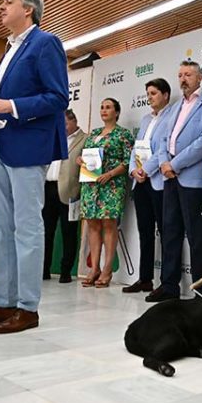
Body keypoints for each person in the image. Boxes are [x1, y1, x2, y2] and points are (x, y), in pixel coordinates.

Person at [0, 0, 68, 334]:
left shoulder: (46, 43)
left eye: (7, 1)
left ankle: (28, 307)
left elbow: (58, 97)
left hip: (27, 145)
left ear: (29, 9)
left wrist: (11, 106)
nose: (0, 7)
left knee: (26, 226)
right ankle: (4, 301)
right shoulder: (7, 50)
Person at [146, 61, 202, 302]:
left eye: (188, 74)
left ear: (200, 78)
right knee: (170, 233)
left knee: (197, 236)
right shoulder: (175, 107)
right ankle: (169, 286)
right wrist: (163, 164)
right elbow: (162, 141)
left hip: (191, 179)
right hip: (169, 178)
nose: (183, 79)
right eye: (180, 74)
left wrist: (175, 164)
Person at [77, 98, 134, 287]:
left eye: (108, 107)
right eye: (101, 107)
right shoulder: (93, 134)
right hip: (91, 186)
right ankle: (94, 268)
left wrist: (110, 174)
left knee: (109, 224)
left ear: (116, 112)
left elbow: (128, 161)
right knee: (92, 225)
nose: (104, 110)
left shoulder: (123, 134)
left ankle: (107, 270)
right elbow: (86, 157)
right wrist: (80, 161)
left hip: (111, 185)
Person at [123, 78, 172, 293]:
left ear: (165, 95)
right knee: (145, 231)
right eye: (148, 94)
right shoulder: (144, 119)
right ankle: (144, 278)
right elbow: (137, 148)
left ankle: (166, 282)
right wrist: (134, 169)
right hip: (140, 182)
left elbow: (164, 148)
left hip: (158, 180)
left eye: (153, 93)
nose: (149, 97)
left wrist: (146, 170)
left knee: (165, 230)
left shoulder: (172, 117)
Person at [42, 109, 86, 283]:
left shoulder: (85, 139)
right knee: (46, 232)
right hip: (48, 187)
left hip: (70, 191)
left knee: (69, 233)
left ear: (74, 121)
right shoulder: (53, 138)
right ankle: (43, 269)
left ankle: (65, 271)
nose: (62, 127)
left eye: (65, 124)